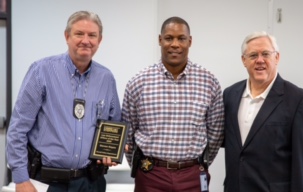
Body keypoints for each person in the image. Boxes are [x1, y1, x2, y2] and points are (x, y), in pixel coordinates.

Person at [6, 11, 121, 192]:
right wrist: (21, 179)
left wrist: (112, 151)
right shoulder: (41, 71)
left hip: (91, 183)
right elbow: (18, 129)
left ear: (100, 40)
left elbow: (114, 123)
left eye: (92, 35)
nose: (86, 40)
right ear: (67, 36)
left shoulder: (106, 78)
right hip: (47, 183)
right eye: (79, 34)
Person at [121, 16, 224, 192]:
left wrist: (195, 164)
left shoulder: (209, 82)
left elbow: (215, 134)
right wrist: (144, 166)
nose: (175, 44)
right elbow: (128, 133)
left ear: (189, 41)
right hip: (150, 175)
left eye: (181, 38)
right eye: (169, 38)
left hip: (192, 175)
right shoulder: (138, 82)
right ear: (160, 40)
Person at [223, 31, 303, 192]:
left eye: (266, 54)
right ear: (244, 60)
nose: (260, 60)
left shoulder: (298, 100)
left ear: (277, 58)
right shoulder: (230, 95)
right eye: (253, 55)